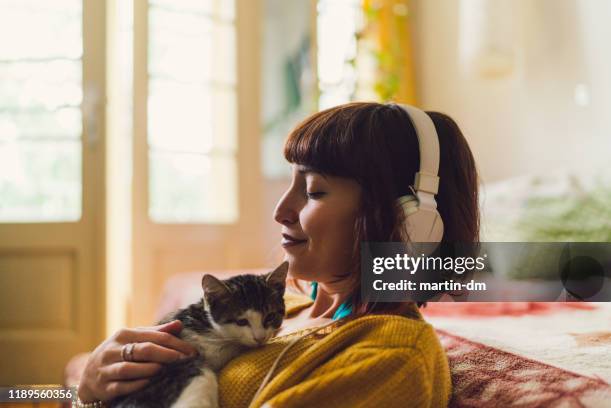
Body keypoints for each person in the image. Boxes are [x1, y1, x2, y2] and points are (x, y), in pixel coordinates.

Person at [77, 102, 479, 407]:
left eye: (316, 191)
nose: (281, 211)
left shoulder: (391, 355)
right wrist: (87, 385)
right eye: (291, 183)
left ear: (408, 223)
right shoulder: (283, 306)